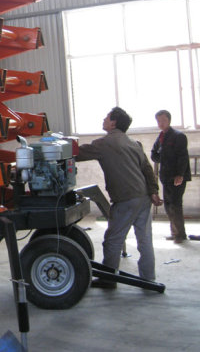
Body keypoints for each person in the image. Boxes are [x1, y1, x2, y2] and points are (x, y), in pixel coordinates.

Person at [77, 107, 162, 287]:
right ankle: (148, 277)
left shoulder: (105, 143)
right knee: (145, 240)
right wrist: (154, 191)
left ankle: (108, 280)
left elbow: (77, 153)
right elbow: (147, 169)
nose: (104, 119)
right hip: (143, 197)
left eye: (107, 117)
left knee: (113, 241)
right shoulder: (134, 143)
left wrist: (56, 145)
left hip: (126, 199)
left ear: (113, 123)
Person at [151, 109, 191, 244]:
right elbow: (154, 154)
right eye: (158, 121)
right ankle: (175, 233)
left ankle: (179, 235)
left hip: (177, 177)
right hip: (166, 176)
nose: (161, 123)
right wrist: (161, 157)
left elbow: (183, 157)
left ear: (169, 120)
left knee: (175, 205)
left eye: (163, 120)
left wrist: (180, 174)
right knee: (168, 205)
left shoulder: (179, 136)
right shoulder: (161, 136)